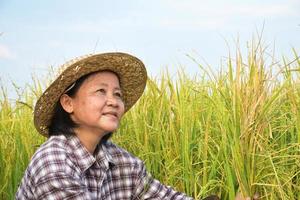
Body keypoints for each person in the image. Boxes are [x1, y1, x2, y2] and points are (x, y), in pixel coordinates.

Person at [16, 52, 196, 199]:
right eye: (101, 91)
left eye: (117, 94)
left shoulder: (122, 162)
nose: (114, 101)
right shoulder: (54, 162)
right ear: (68, 103)